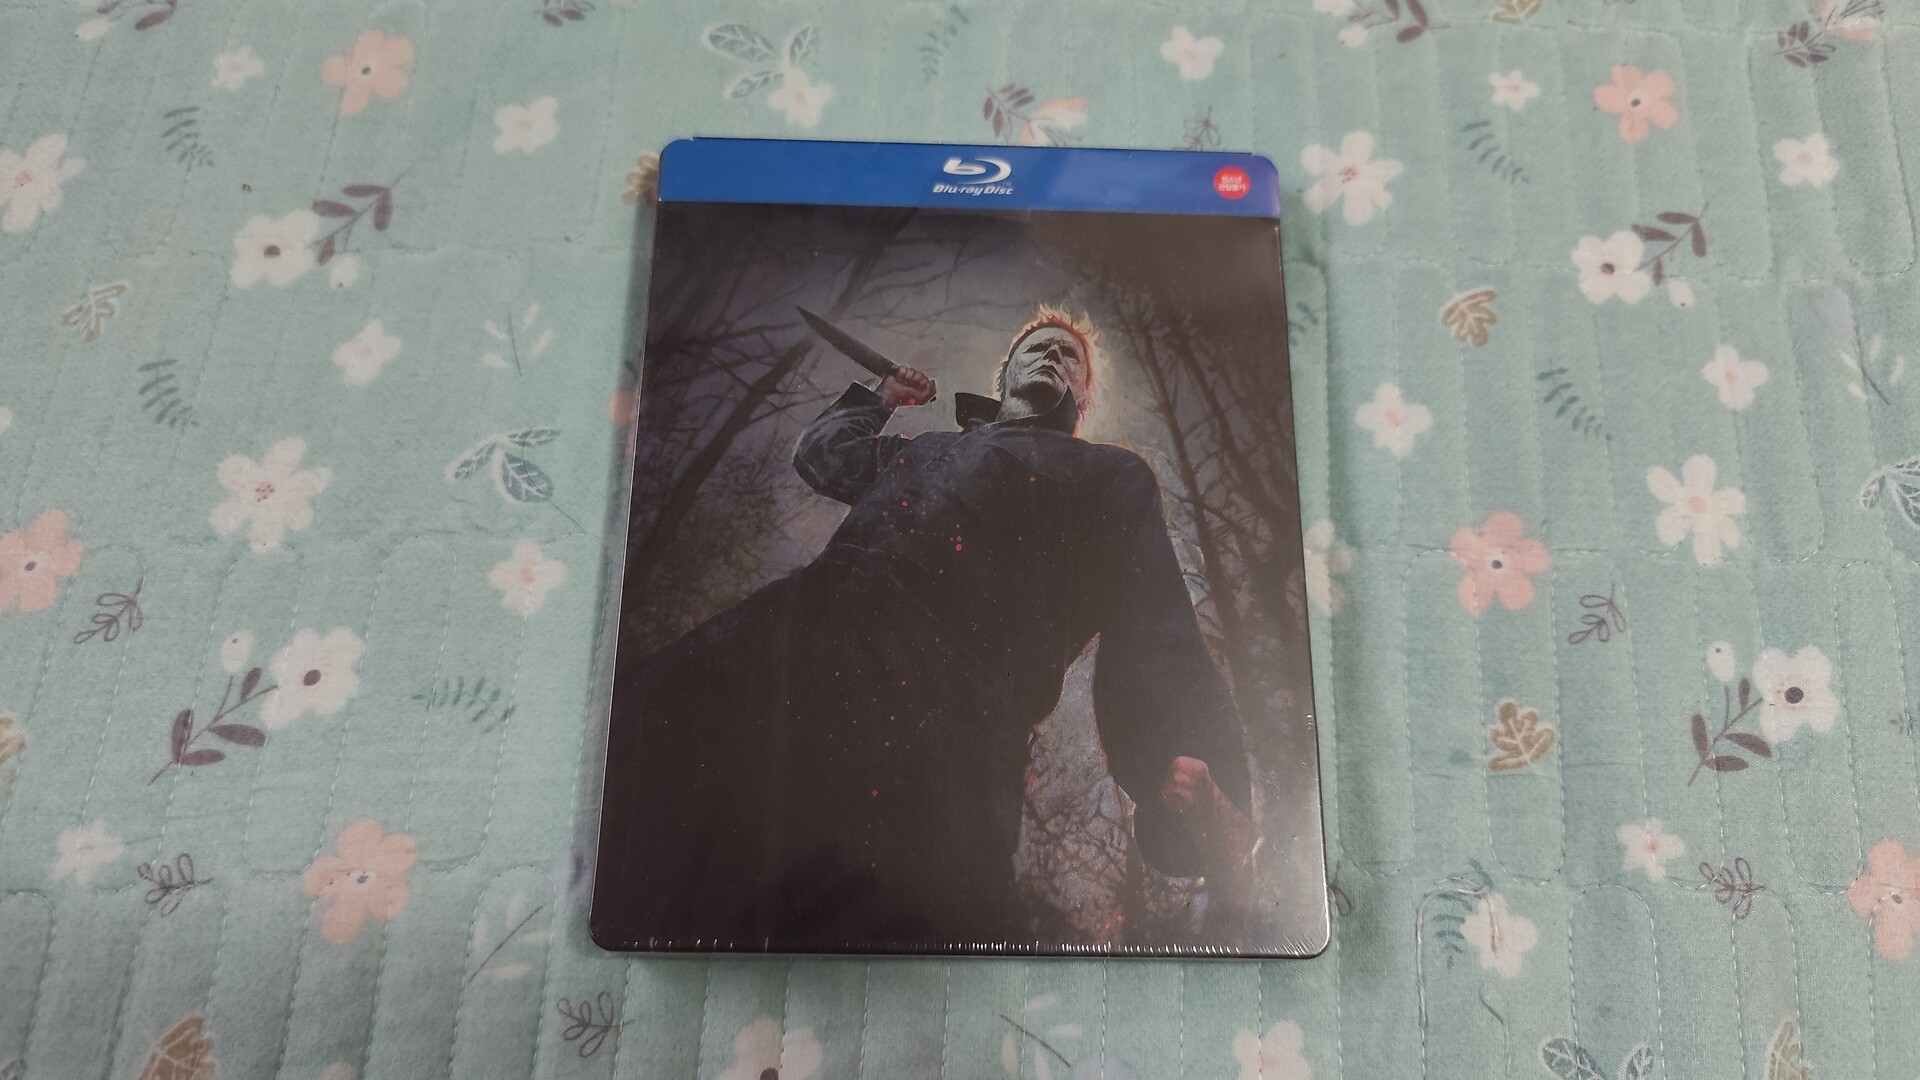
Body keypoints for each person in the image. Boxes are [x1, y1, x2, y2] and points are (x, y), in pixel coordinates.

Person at [594, 306, 1258, 951]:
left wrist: (1193, 768)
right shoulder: (927, 451)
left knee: (874, 922)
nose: (1053, 356)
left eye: (1070, 356)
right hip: (786, 638)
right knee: (645, 806)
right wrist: (882, 396)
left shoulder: (1105, 474)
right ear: (1004, 376)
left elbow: (1153, 625)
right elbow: (825, 455)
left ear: (1082, 394)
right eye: (1038, 347)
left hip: (945, 707)